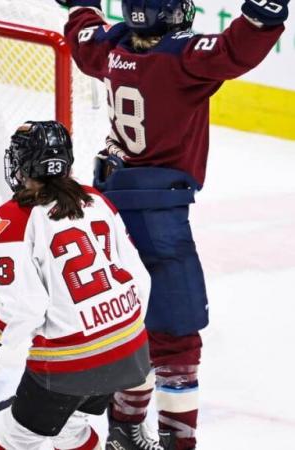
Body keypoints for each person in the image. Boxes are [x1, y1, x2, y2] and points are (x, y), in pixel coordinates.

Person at [58, 0, 288, 448]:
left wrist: (81, 6)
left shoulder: (112, 45)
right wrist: (265, 14)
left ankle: (124, 428)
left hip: (108, 209)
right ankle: (176, 442)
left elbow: (83, 35)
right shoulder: (182, 57)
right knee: (177, 338)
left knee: (126, 323)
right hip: (159, 216)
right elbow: (234, 50)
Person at [0, 120, 152, 450]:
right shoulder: (96, 199)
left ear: (23, 164)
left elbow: (23, 308)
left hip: (70, 365)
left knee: (14, 443)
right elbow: (141, 278)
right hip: (130, 354)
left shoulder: (14, 218)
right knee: (69, 430)